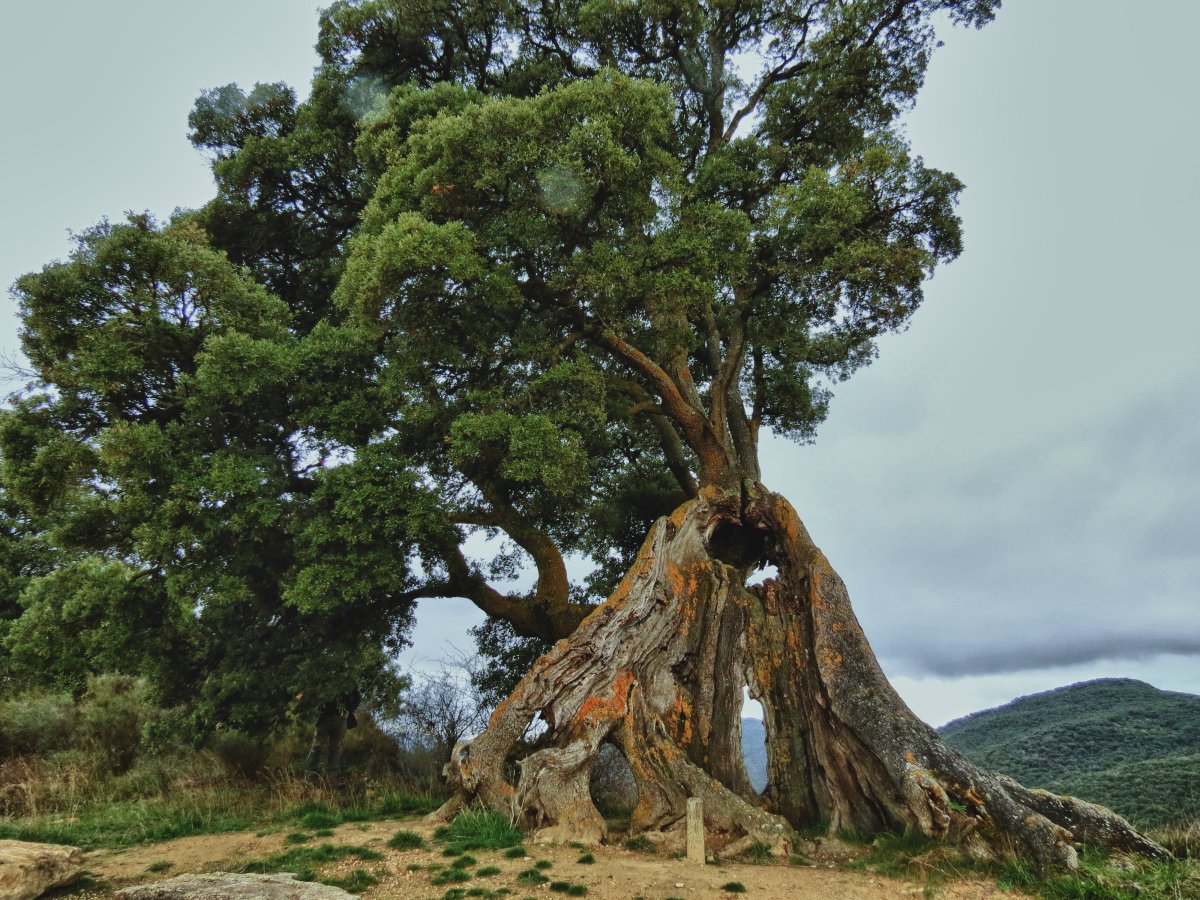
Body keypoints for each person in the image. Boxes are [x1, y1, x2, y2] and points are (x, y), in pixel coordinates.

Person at [304, 688, 361, 776]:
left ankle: (332, 776)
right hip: (325, 717)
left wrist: (349, 709)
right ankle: (310, 774)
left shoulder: (349, 681)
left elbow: (357, 696)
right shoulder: (327, 677)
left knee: (333, 747)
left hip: (339, 718)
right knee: (318, 746)